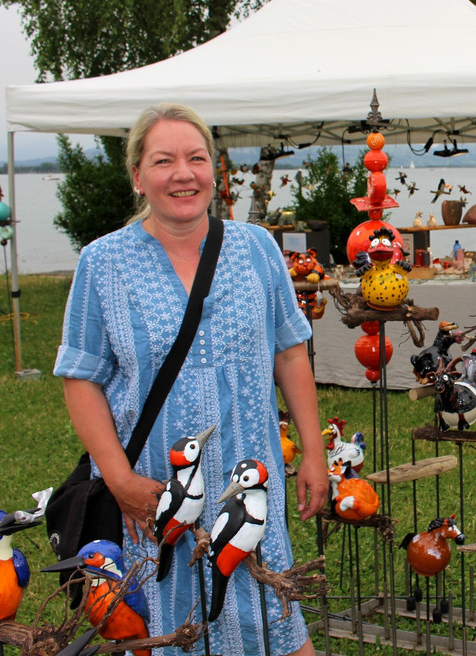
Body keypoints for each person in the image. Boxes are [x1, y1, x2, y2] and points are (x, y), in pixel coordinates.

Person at [54, 103, 328, 656]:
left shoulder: (257, 250)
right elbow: (80, 379)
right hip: (154, 498)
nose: (183, 173)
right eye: (163, 161)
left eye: (196, 158)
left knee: (272, 623)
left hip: (250, 488)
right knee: (168, 628)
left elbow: (291, 354)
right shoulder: (102, 264)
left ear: (214, 169)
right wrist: (122, 481)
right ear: (137, 176)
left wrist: (315, 453)